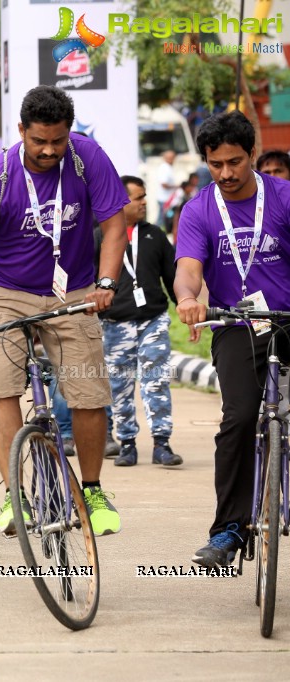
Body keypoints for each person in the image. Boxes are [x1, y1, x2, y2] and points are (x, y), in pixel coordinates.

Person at [0, 85, 128, 537]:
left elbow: (115, 223)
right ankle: (14, 495)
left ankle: (94, 489)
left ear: (70, 133)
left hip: (72, 291)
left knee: (88, 391)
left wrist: (106, 283)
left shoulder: (88, 159)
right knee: (1, 390)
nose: (48, 150)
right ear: (21, 130)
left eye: (57, 141)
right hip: (3, 290)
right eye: (38, 140)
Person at [174, 111, 290, 568]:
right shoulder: (199, 209)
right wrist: (187, 298)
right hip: (235, 327)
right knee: (239, 419)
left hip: (287, 318)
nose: (226, 173)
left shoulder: (283, 196)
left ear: (253, 154)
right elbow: (188, 269)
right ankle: (229, 529)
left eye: (235, 162)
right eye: (216, 164)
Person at [95, 175, 181, 467]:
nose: (144, 202)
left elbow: (173, 277)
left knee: (156, 381)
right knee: (119, 385)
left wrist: (185, 309)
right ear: (121, 201)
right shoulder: (99, 236)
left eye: (145, 197)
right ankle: (127, 443)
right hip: (115, 324)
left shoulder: (155, 234)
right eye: (138, 197)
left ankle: (162, 443)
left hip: (152, 321)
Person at [155, 149, 180, 227]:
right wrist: (176, 186)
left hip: (168, 199)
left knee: (165, 219)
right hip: (164, 199)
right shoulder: (164, 168)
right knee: (162, 220)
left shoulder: (168, 167)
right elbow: (164, 184)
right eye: (171, 157)